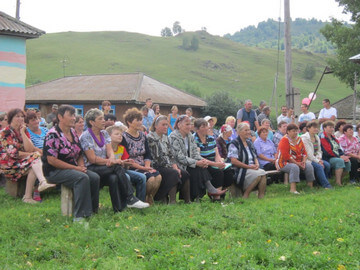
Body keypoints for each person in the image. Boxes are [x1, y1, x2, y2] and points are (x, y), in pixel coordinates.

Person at [80, 108, 149, 211]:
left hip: (104, 166)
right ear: (92, 122)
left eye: (103, 118)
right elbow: (92, 159)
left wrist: (112, 158)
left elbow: (109, 150)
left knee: (113, 178)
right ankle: (130, 198)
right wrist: (112, 162)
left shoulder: (104, 133)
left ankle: (118, 209)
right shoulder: (86, 136)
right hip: (91, 167)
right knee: (117, 166)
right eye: (100, 118)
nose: (104, 120)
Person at [42, 105, 100, 220]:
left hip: (72, 168)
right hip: (54, 171)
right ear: (60, 117)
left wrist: (81, 166)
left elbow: (78, 153)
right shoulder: (52, 134)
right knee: (81, 178)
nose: (74, 118)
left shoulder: (73, 132)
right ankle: (80, 216)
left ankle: (92, 211)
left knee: (94, 177)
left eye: (74, 115)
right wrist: (76, 169)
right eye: (71, 115)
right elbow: (52, 160)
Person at [0, 108, 56, 204]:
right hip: (9, 165)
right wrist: (33, 154)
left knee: (34, 164)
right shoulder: (5, 132)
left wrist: (23, 133)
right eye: (17, 116)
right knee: (35, 158)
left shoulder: (24, 131)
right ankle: (42, 182)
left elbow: (29, 149)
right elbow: (14, 153)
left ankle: (28, 197)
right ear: (11, 119)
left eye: (22, 116)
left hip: (21, 162)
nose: (21, 119)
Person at [169, 115, 226, 201]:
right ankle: (201, 195)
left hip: (189, 162)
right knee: (197, 169)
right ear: (179, 125)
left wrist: (202, 161)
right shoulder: (173, 137)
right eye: (187, 124)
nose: (189, 126)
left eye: (190, 124)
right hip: (177, 164)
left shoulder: (190, 136)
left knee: (202, 167)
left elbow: (195, 153)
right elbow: (179, 157)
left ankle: (199, 196)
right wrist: (196, 163)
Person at [147, 115, 191, 204]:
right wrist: (173, 168)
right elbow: (157, 157)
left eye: (166, 125)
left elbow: (171, 155)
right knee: (173, 173)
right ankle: (172, 201)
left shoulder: (165, 137)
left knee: (184, 173)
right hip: (156, 165)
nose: (166, 127)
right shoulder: (151, 138)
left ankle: (187, 200)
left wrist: (175, 167)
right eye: (163, 125)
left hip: (167, 165)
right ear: (156, 126)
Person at [122, 108, 162, 204]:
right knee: (151, 179)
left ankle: (149, 198)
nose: (140, 122)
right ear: (129, 122)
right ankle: (142, 199)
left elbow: (147, 153)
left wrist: (147, 166)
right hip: (132, 166)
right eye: (137, 120)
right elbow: (127, 159)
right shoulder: (124, 137)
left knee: (158, 176)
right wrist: (143, 168)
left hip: (144, 165)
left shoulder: (143, 135)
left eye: (141, 120)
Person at [193, 118, 233, 199]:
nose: (206, 128)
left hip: (213, 161)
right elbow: (198, 157)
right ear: (197, 129)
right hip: (203, 162)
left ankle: (222, 193)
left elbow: (216, 153)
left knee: (229, 171)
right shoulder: (195, 139)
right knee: (218, 172)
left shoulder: (211, 138)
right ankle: (216, 196)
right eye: (203, 127)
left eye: (206, 126)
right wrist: (215, 164)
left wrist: (220, 162)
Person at [107, 125, 147, 202]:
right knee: (127, 177)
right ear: (108, 136)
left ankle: (140, 201)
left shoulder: (122, 148)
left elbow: (126, 163)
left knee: (142, 177)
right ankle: (126, 202)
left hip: (122, 170)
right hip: (112, 171)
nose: (120, 136)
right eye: (116, 134)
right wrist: (121, 162)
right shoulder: (107, 149)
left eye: (121, 135)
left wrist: (127, 163)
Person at [228, 122, 267, 198]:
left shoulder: (249, 142)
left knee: (263, 173)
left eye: (249, 130)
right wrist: (248, 167)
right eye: (245, 130)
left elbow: (254, 155)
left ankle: (261, 196)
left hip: (252, 167)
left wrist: (257, 164)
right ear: (239, 132)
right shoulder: (234, 144)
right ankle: (246, 194)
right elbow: (234, 161)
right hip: (240, 169)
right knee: (259, 174)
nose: (248, 132)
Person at [275, 124, 315, 194]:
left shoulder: (299, 139)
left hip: (298, 161)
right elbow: (286, 156)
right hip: (283, 162)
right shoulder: (284, 140)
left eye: (297, 131)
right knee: (294, 167)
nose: (296, 133)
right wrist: (297, 164)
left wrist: (303, 162)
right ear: (288, 131)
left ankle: (310, 186)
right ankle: (293, 189)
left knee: (309, 166)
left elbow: (304, 153)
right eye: (293, 131)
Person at [300, 121, 332, 189]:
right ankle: (326, 185)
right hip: (307, 159)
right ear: (308, 128)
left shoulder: (317, 137)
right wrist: (318, 161)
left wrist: (319, 158)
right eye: (314, 127)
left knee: (327, 165)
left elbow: (319, 150)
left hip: (316, 158)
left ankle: (319, 182)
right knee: (319, 166)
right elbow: (308, 154)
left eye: (317, 127)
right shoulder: (304, 138)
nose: (316, 129)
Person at [320, 121, 351, 186]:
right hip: (327, 157)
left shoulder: (333, 137)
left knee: (348, 162)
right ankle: (338, 183)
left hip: (336, 156)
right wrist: (339, 157)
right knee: (339, 161)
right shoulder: (322, 137)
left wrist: (343, 155)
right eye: (330, 127)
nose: (331, 129)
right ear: (324, 128)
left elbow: (338, 148)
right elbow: (327, 151)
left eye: (333, 127)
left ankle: (339, 180)